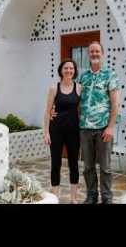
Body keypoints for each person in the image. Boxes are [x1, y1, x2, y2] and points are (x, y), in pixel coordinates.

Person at [78, 41, 120, 204]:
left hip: (103, 128)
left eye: (97, 51)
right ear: (88, 55)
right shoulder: (83, 76)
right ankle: (91, 196)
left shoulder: (110, 75)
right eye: (91, 52)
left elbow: (115, 103)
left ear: (102, 54)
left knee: (105, 167)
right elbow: (77, 100)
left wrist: (111, 126)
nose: (94, 54)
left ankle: (107, 198)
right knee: (88, 167)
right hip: (85, 128)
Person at [43, 59, 81, 204]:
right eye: (66, 68)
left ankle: (74, 198)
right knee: (55, 163)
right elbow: (47, 112)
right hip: (56, 131)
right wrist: (46, 133)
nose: (69, 71)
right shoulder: (54, 88)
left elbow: (81, 111)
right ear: (61, 70)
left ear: (74, 71)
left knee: (74, 164)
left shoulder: (79, 88)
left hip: (73, 132)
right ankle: (55, 198)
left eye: (71, 68)